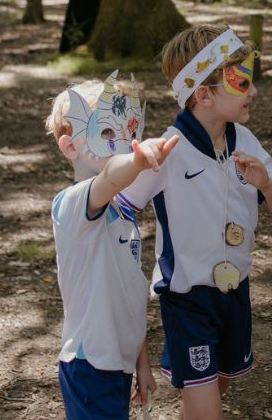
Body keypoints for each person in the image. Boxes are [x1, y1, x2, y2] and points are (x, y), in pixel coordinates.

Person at [120, 25, 272, 420]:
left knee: (221, 381)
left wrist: (265, 182)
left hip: (235, 290)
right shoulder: (168, 151)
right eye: (242, 81)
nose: (253, 91)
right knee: (206, 404)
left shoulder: (246, 140)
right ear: (203, 94)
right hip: (187, 297)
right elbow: (121, 206)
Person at [46, 72, 180, 419]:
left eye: (126, 132)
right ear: (69, 146)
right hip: (89, 363)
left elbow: (129, 292)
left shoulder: (121, 211)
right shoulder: (73, 204)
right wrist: (137, 160)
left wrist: (142, 364)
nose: (120, 141)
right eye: (106, 132)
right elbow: (109, 178)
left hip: (116, 361)